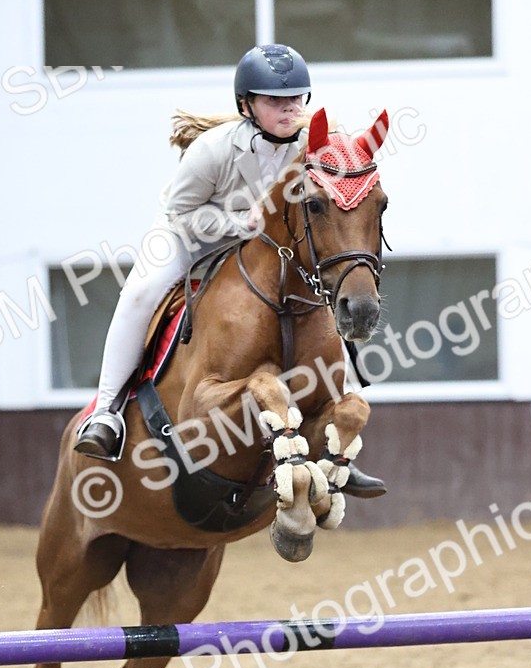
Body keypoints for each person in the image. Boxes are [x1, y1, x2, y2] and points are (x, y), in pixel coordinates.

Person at [74, 43, 384, 499]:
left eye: (297, 99)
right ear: (247, 106)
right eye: (275, 101)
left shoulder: (308, 145)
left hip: (263, 246)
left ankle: (337, 445)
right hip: (188, 235)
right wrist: (239, 223)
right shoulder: (214, 148)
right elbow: (180, 210)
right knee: (139, 293)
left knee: (316, 302)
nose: (289, 108)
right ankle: (107, 412)